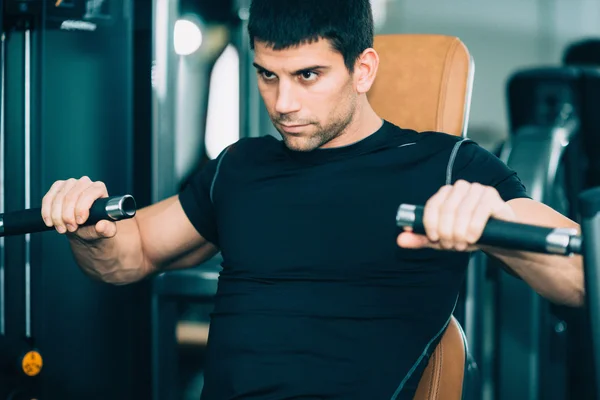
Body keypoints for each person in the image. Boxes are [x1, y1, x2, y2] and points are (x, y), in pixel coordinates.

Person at [41, 0, 584, 398]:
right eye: (268, 77)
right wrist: (91, 231)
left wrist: (491, 222)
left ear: (362, 69)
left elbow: (585, 276)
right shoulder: (240, 166)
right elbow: (129, 257)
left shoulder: (447, 165)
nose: (284, 103)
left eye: (308, 76)